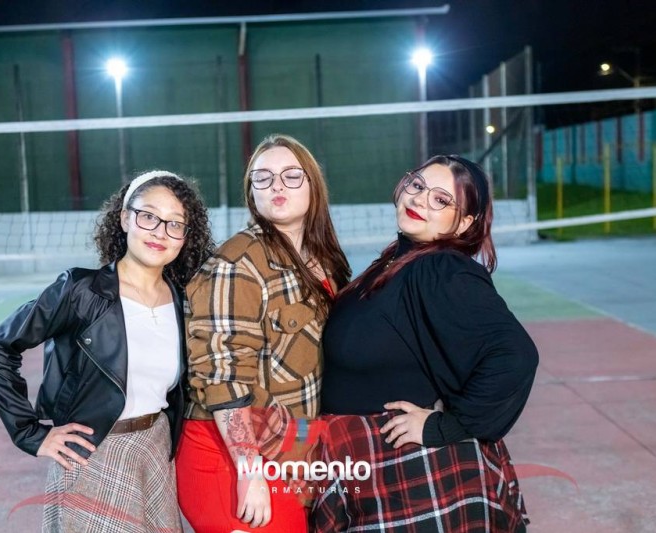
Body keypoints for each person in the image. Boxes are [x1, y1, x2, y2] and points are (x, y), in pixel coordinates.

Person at [312, 155, 538, 532]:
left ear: (464, 223)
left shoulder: (441, 269)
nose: (419, 199)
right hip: (365, 462)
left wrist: (445, 427)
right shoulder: (397, 261)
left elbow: (515, 355)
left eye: (441, 200)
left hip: (410, 472)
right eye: (417, 185)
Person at [0, 170, 214, 532]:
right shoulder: (81, 291)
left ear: (185, 237)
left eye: (174, 224)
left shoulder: (184, 300)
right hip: (94, 453)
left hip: (155, 449)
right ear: (125, 218)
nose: (159, 232)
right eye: (148, 216)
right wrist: (30, 433)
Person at [176, 134, 351, 532]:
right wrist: (249, 470)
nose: (276, 186)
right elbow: (222, 376)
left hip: (291, 446)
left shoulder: (324, 261)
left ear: (312, 184)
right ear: (251, 191)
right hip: (229, 454)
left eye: (291, 175)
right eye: (263, 177)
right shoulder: (236, 264)